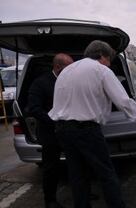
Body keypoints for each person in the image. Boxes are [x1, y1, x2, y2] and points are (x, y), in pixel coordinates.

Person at [49, 40, 136, 208]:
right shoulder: (101, 70)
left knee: (77, 174)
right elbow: (122, 100)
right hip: (85, 130)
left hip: (62, 129)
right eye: (109, 59)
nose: (110, 64)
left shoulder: (67, 70)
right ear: (102, 56)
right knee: (106, 173)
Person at [27, 53, 74, 208]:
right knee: (51, 167)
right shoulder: (40, 83)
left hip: (71, 130)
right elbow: (34, 108)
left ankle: (81, 191)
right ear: (58, 66)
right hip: (50, 132)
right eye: (69, 67)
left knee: (77, 163)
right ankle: (50, 200)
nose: (73, 70)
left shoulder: (73, 81)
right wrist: (54, 120)